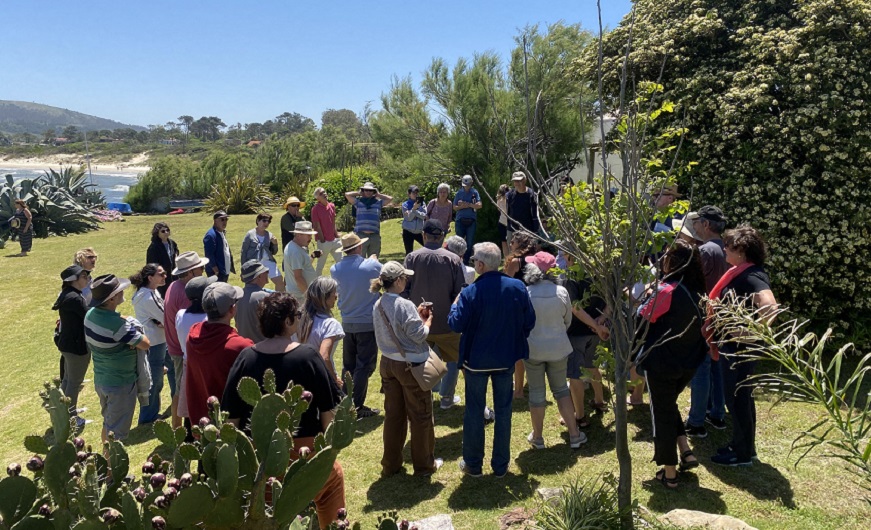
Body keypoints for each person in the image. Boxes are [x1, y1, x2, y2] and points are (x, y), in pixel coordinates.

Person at [221, 293, 345, 529]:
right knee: (332, 482)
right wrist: (329, 456)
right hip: (306, 452)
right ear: (287, 322)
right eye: (296, 316)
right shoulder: (308, 356)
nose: (298, 319)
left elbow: (232, 419)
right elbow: (328, 411)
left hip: (259, 460)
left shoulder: (245, 358)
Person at [448, 242, 535, 477]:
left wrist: (454, 305)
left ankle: (474, 464)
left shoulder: (470, 292)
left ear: (480, 264)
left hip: (475, 361)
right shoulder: (517, 287)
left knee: (474, 411)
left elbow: (455, 324)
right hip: (506, 358)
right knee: (504, 411)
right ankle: (500, 466)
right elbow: (529, 322)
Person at [634, 239, 708, 487]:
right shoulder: (699, 292)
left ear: (672, 262)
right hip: (688, 363)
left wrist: (643, 298)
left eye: (665, 255)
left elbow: (641, 320)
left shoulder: (666, 290)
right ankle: (686, 451)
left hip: (663, 363)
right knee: (667, 404)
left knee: (661, 414)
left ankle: (669, 473)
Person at [709, 225, 778, 467]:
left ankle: (741, 454)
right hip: (737, 346)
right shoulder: (743, 271)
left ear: (742, 251)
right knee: (742, 397)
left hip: (740, 348)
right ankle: (746, 447)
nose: (725, 249)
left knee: (737, 398)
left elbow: (770, 306)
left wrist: (751, 331)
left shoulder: (751, 275)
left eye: (729, 246)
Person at [372, 261, 444, 477]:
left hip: (388, 363)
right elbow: (419, 335)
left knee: (394, 416)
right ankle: (424, 465)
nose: (407, 281)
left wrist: (417, 318)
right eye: (405, 277)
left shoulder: (378, 303)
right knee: (421, 416)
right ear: (398, 281)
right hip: (410, 366)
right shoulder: (403, 305)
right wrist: (427, 321)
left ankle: (391, 464)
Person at [521, 252, 586, 449]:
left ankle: (538, 437)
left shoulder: (526, 292)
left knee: (536, 392)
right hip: (558, 348)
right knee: (561, 390)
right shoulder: (561, 292)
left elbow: (522, 322)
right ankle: (575, 435)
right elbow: (567, 320)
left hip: (533, 350)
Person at [403, 220, 465, 409]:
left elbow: (403, 290)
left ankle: (424, 395)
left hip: (419, 323)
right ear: (442, 237)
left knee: (420, 361)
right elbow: (460, 292)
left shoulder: (412, 257)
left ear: (423, 235)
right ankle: (446, 397)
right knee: (453, 361)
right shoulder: (453, 259)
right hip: (448, 324)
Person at [84, 274, 151, 442]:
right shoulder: (118, 326)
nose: (123, 292)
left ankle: (105, 465)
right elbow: (145, 343)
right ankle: (110, 468)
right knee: (117, 435)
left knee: (108, 424)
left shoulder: (90, 314)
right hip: (120, 384)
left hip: (102, 380)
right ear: (112, 298)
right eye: (120, 291)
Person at [685, 205, 730, 438]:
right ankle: (717, 414)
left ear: (706, 225)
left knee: (701, 368)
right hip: (724, 316)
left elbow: (694, 284)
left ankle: (696, 422)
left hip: (705, 316)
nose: (693, 226)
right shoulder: (728, 248)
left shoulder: (706, 251)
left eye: (696, 222)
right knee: (717, 365)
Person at [185, 282, 254, 424]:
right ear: (232, 310)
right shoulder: (241, 346)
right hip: (232, 425)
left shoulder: (192, 335)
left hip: (202, 423)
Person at [330, 233, 382, 417]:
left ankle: (347, 401)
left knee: (349, 365)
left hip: (348, 322)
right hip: (367, 323)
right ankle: (356, 407)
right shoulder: (373, 265)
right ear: (359, 247)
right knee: (364, 366)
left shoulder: (335, 268)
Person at [560, 253, 609, 426]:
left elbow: (575, 308)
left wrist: (597, 326)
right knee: (592, 366)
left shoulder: (571, 277)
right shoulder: (600, 273)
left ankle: (580, 416)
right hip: (597, 330)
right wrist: (601, 321)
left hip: (577, 332)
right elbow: (612, 299)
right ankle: (599, 401)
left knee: (575, 375)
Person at [164, 251, 209, 428]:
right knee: (182, 391)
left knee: (179, 388)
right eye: (200, 268)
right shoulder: (186, 295)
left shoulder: (174, 286)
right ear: (190, 272)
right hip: (182, 350)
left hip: (174, 346)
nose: (202, 271)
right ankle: (178, 429)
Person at [130, 263, 169, 425]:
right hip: (156, 343)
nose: (165, 276)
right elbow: (167, 317)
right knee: (154, 380)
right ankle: (148, 416)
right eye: (161, 274)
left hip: (154, 341)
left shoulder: (146, 293)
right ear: (150, 278)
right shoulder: (149, 296)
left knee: (157, 377)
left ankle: (150, 413)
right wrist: (163, 322)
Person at [174, 276, 216, 423]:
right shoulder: (208, 319)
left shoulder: (180, 315)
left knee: (191, 404)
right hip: (207, 366)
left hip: (188, 365)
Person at [53, 265, 91, 425]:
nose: (87, 279)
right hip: (76, 347)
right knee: (74, 383)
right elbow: (89, 317)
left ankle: (65, 412)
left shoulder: (68, 294)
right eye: (83, 276)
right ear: (73, 281)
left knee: (68, 381)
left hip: (67, 344)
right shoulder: (75, 298)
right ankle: (70, 418)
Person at [502, 231, 539, 398]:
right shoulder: (537, 260)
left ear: (520, 244)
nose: (510, 245)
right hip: (536, 306)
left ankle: (518, 390)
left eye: (513, 242)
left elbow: (505, 285)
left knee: (517, 353)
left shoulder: (515, 262)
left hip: (516, 308)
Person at [297, 277, 345, 387]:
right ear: (325, 297)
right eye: (334, 293)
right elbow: (324, 356)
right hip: (320, 378)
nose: (336, 296)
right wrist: (334, 380)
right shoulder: (330, 324)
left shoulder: (296, 318)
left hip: (296, 374)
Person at [345, 182, 392, 258]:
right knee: (359, 259)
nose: (368, 192)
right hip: (361, 235)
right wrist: (359, 193)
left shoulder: (378, 202)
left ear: (373, 192)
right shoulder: (358, 202)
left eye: (370, 190)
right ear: (363, 191)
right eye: (366, 190)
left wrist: (378, 195)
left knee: (374, 260)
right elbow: (347, 194)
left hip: (374, 235)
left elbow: (390, 198)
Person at [241, 213, 285, 292]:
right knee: (253, 285)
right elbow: (244, 252)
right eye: (264, 221)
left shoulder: (269, 235)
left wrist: (275, 244)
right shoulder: (250, 234)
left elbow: (274, 252)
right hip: (255, 263)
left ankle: (280, 301)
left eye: (268, 221)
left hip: (268, 261)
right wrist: (243, 269)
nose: (266, 223)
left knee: (280, 282)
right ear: (258, 221)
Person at [283, 221, 320, 304]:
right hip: (300, 297)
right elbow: (298, 277)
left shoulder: (296, 247)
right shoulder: (295, 251)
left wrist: (313, 256)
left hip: (300, 295)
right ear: (299, 235)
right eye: (309, 235)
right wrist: (310, 297)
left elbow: (303, 266)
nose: (311, 238)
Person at [235, 260, 271, 343]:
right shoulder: (265, 298)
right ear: (258, 276)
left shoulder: (238, 297)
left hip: (245, 349)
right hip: (264, 349)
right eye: (266, 271)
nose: (267, 273)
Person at [310, 187, 344, 275]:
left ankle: (343, 280)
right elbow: (317, 226)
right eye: (321, 193)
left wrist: (336, 235)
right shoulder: (315, 209)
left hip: (334, 240)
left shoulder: (332, 205)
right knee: (320, 265)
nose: (324, 194)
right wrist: (322, 240)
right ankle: (317, 283)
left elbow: (333, 222)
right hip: (324, 241)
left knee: (342, 262)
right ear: (317, 198)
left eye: (324, 192)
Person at [453, 175, 482, 264]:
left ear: (471, 183)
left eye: (468, 185)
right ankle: (457, 260)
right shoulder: (459, 193)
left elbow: (479, 205)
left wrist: (469, 205)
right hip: (460, 220)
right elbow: (454, 207)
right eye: (465, 185)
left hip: (471, 220)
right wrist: (461, 206)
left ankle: (466, 261)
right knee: (459, 242)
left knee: (469, 243)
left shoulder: (475, 192)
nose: (466, 187)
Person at [505, 171, 542, 242]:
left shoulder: (532, 195)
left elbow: (535, 216)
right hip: (512, 231)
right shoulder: (510, 195)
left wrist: (536, 235)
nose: (517, 183)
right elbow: (507, 211)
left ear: (525, 180)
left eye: (519, 181)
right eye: (515, 181)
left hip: (528, 231)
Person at [145, 222, 179, 298]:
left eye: (167, 230)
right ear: (157, 233)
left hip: (173, 275)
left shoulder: (172, 243)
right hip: (161, 278)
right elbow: (151, 265)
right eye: (163, 231)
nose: (166, 232)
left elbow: (176, 255)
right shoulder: (153, 247)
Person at [203, 210, 235, 281]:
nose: (225, 222)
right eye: (222, 219)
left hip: (224, 270)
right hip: (216, 272)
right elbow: (209, 254)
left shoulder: (222, 232)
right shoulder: (210, 235)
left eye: (226, 219)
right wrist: (215, 269)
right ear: (215, 221)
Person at [400, 185, 427, 254]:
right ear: (409, 194)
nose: (415, 194)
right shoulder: (405, 205)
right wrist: (414, 209)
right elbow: (409, 218)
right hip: (408, 231)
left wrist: (413, 211)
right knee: (409, 252)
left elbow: (424, 216)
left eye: (416, 193)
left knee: (427, 247)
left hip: (419, 231)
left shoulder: (422, 203)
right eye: (413, 193)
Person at [496, 184, 510, 258]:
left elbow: (498, 209)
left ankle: (506, 259)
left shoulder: (499, 199)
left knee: (504, 242)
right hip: (509, 222)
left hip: (502, 222)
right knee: (510, 242)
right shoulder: (510, 198)